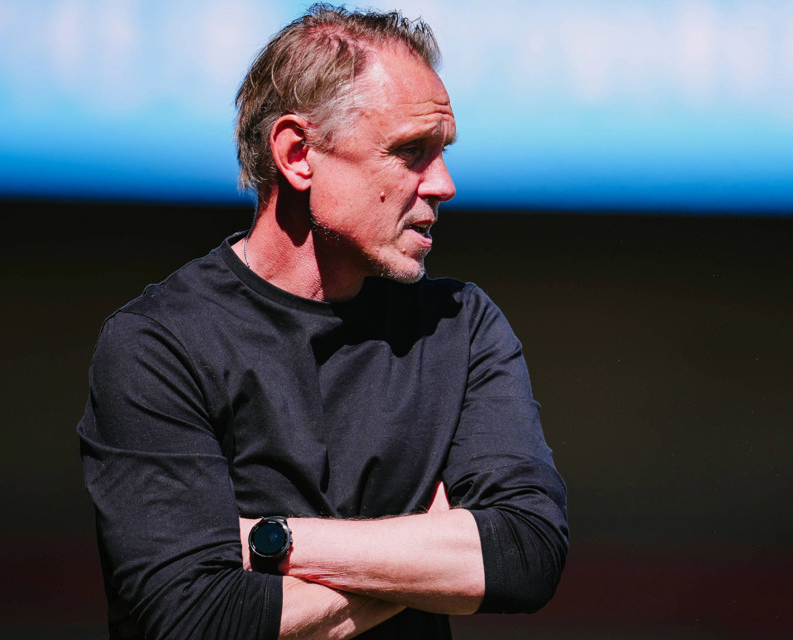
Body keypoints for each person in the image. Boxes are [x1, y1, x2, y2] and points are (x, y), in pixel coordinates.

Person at [77, 5, 568, 639]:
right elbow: (193, 618)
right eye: (411, 152)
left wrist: (271, 543)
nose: (443, 184)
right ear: (298, 154)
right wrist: (427, 555)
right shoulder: (158, 345)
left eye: (441, 152)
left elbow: (525, 555)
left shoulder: (460, 325)